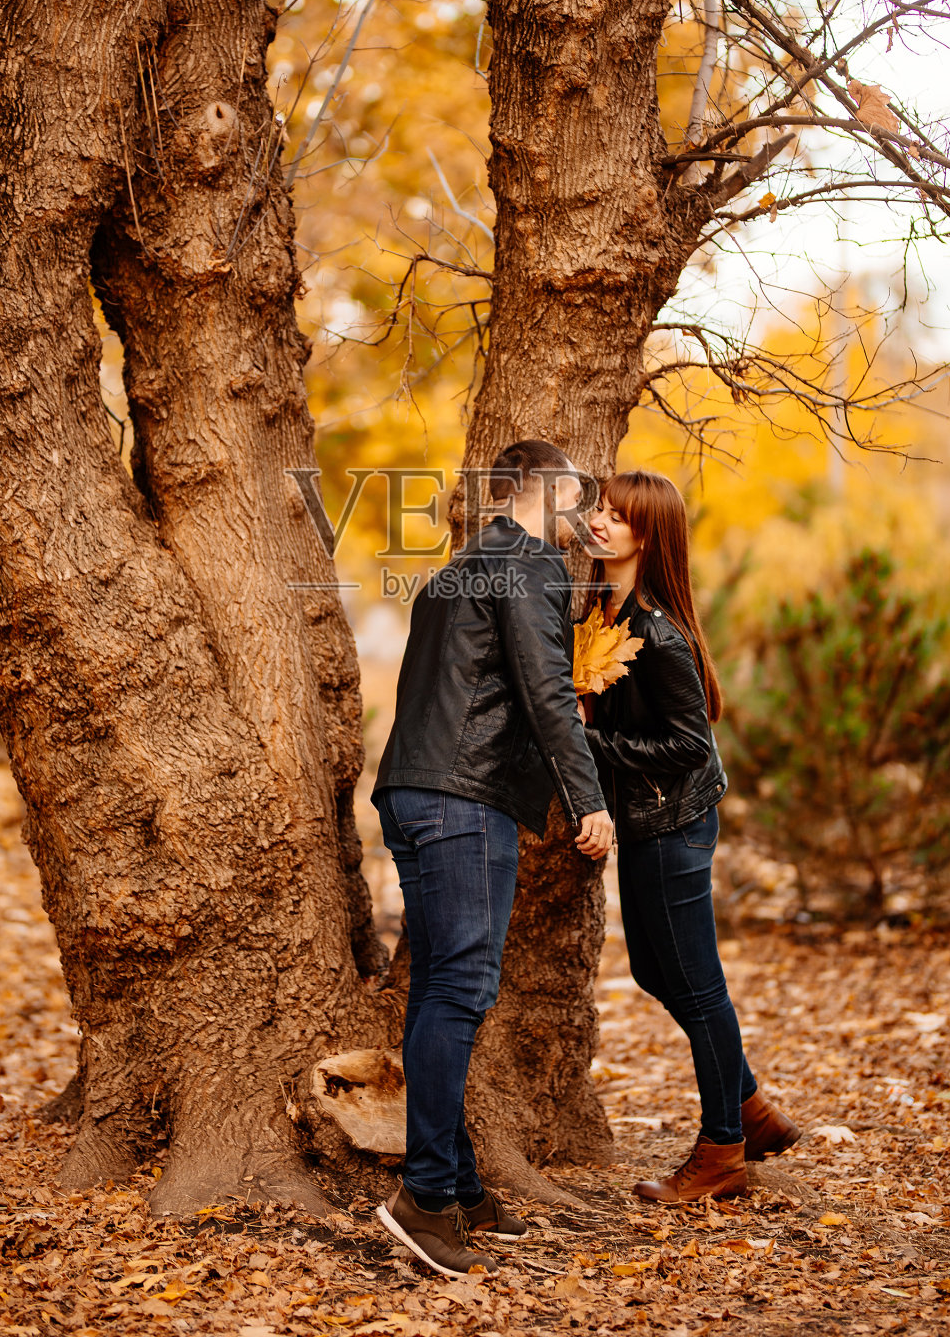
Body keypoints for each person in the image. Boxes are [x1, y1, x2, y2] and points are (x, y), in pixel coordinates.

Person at [373, 440, 614, 1277]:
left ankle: (465, 1187)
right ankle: (425, 1197)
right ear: (541, 490)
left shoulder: (454, 575)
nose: (580, 515)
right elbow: (547, 693)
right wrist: (587, 799)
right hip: (463, 801)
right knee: (462, 987)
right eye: (574, 496)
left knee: (441, 981)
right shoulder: (534, 564)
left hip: (408, 792)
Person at [581, 470, 799, 1203]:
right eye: (599, 510)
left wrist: (590, 744)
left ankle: (721, 1152)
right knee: (651, 970)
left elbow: (688, 745)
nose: (598, 522)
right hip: (649, 821)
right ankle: (749, 1108)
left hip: (674, 822)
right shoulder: (604, 610)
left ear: (649, 534)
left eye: (616, 516)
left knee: (698, 987)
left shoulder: (656, 632)